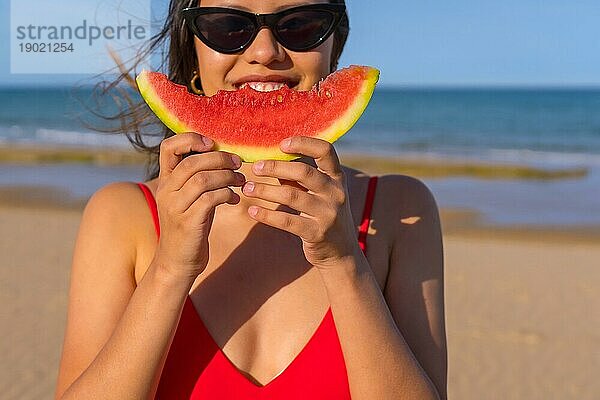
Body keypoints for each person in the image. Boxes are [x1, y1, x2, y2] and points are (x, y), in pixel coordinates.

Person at [54, 1, 447, 399]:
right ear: (193, 52)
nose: (264, 52)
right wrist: (170, 269)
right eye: (227, 25)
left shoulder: (401, 211)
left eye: (300, 25)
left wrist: (344, 262)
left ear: (334, 46)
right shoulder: (123, 216)